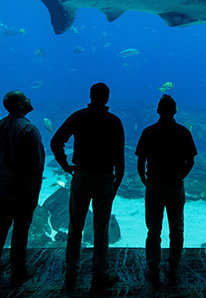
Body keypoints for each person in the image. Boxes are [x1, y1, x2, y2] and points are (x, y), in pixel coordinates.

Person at [51, 82, 125, 292]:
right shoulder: (114, 121)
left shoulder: (78, 116)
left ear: (90, 95)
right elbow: (119, 157)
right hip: (104, 178)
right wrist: (116, 181)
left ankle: (71, 273)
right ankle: (99, 274)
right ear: (107, 98)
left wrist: (66, 164)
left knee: (75, 226)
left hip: (81, 176)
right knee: (101, 228)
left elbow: (56, 141)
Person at [135, 94, 197, 287]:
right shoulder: (183, 132)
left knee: (153, 230)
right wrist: (181, 176)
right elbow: (191, 161)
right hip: (175, 186)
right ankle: (173, 268)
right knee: (177, 229)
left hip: (154, 184)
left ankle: (152, 268)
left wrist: (145, 180)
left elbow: (140, 161)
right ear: (175, 111)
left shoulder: (148, 132)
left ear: (158, 111)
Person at [0, 91, 45, 286]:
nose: (30, 99)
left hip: (3, 186)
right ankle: (19, 270)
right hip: (23, 189)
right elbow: (37, 164)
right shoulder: (29, 129)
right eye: (26, 98)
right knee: (21, 228)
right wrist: (36, 188)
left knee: (2, 223)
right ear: (20, 105)